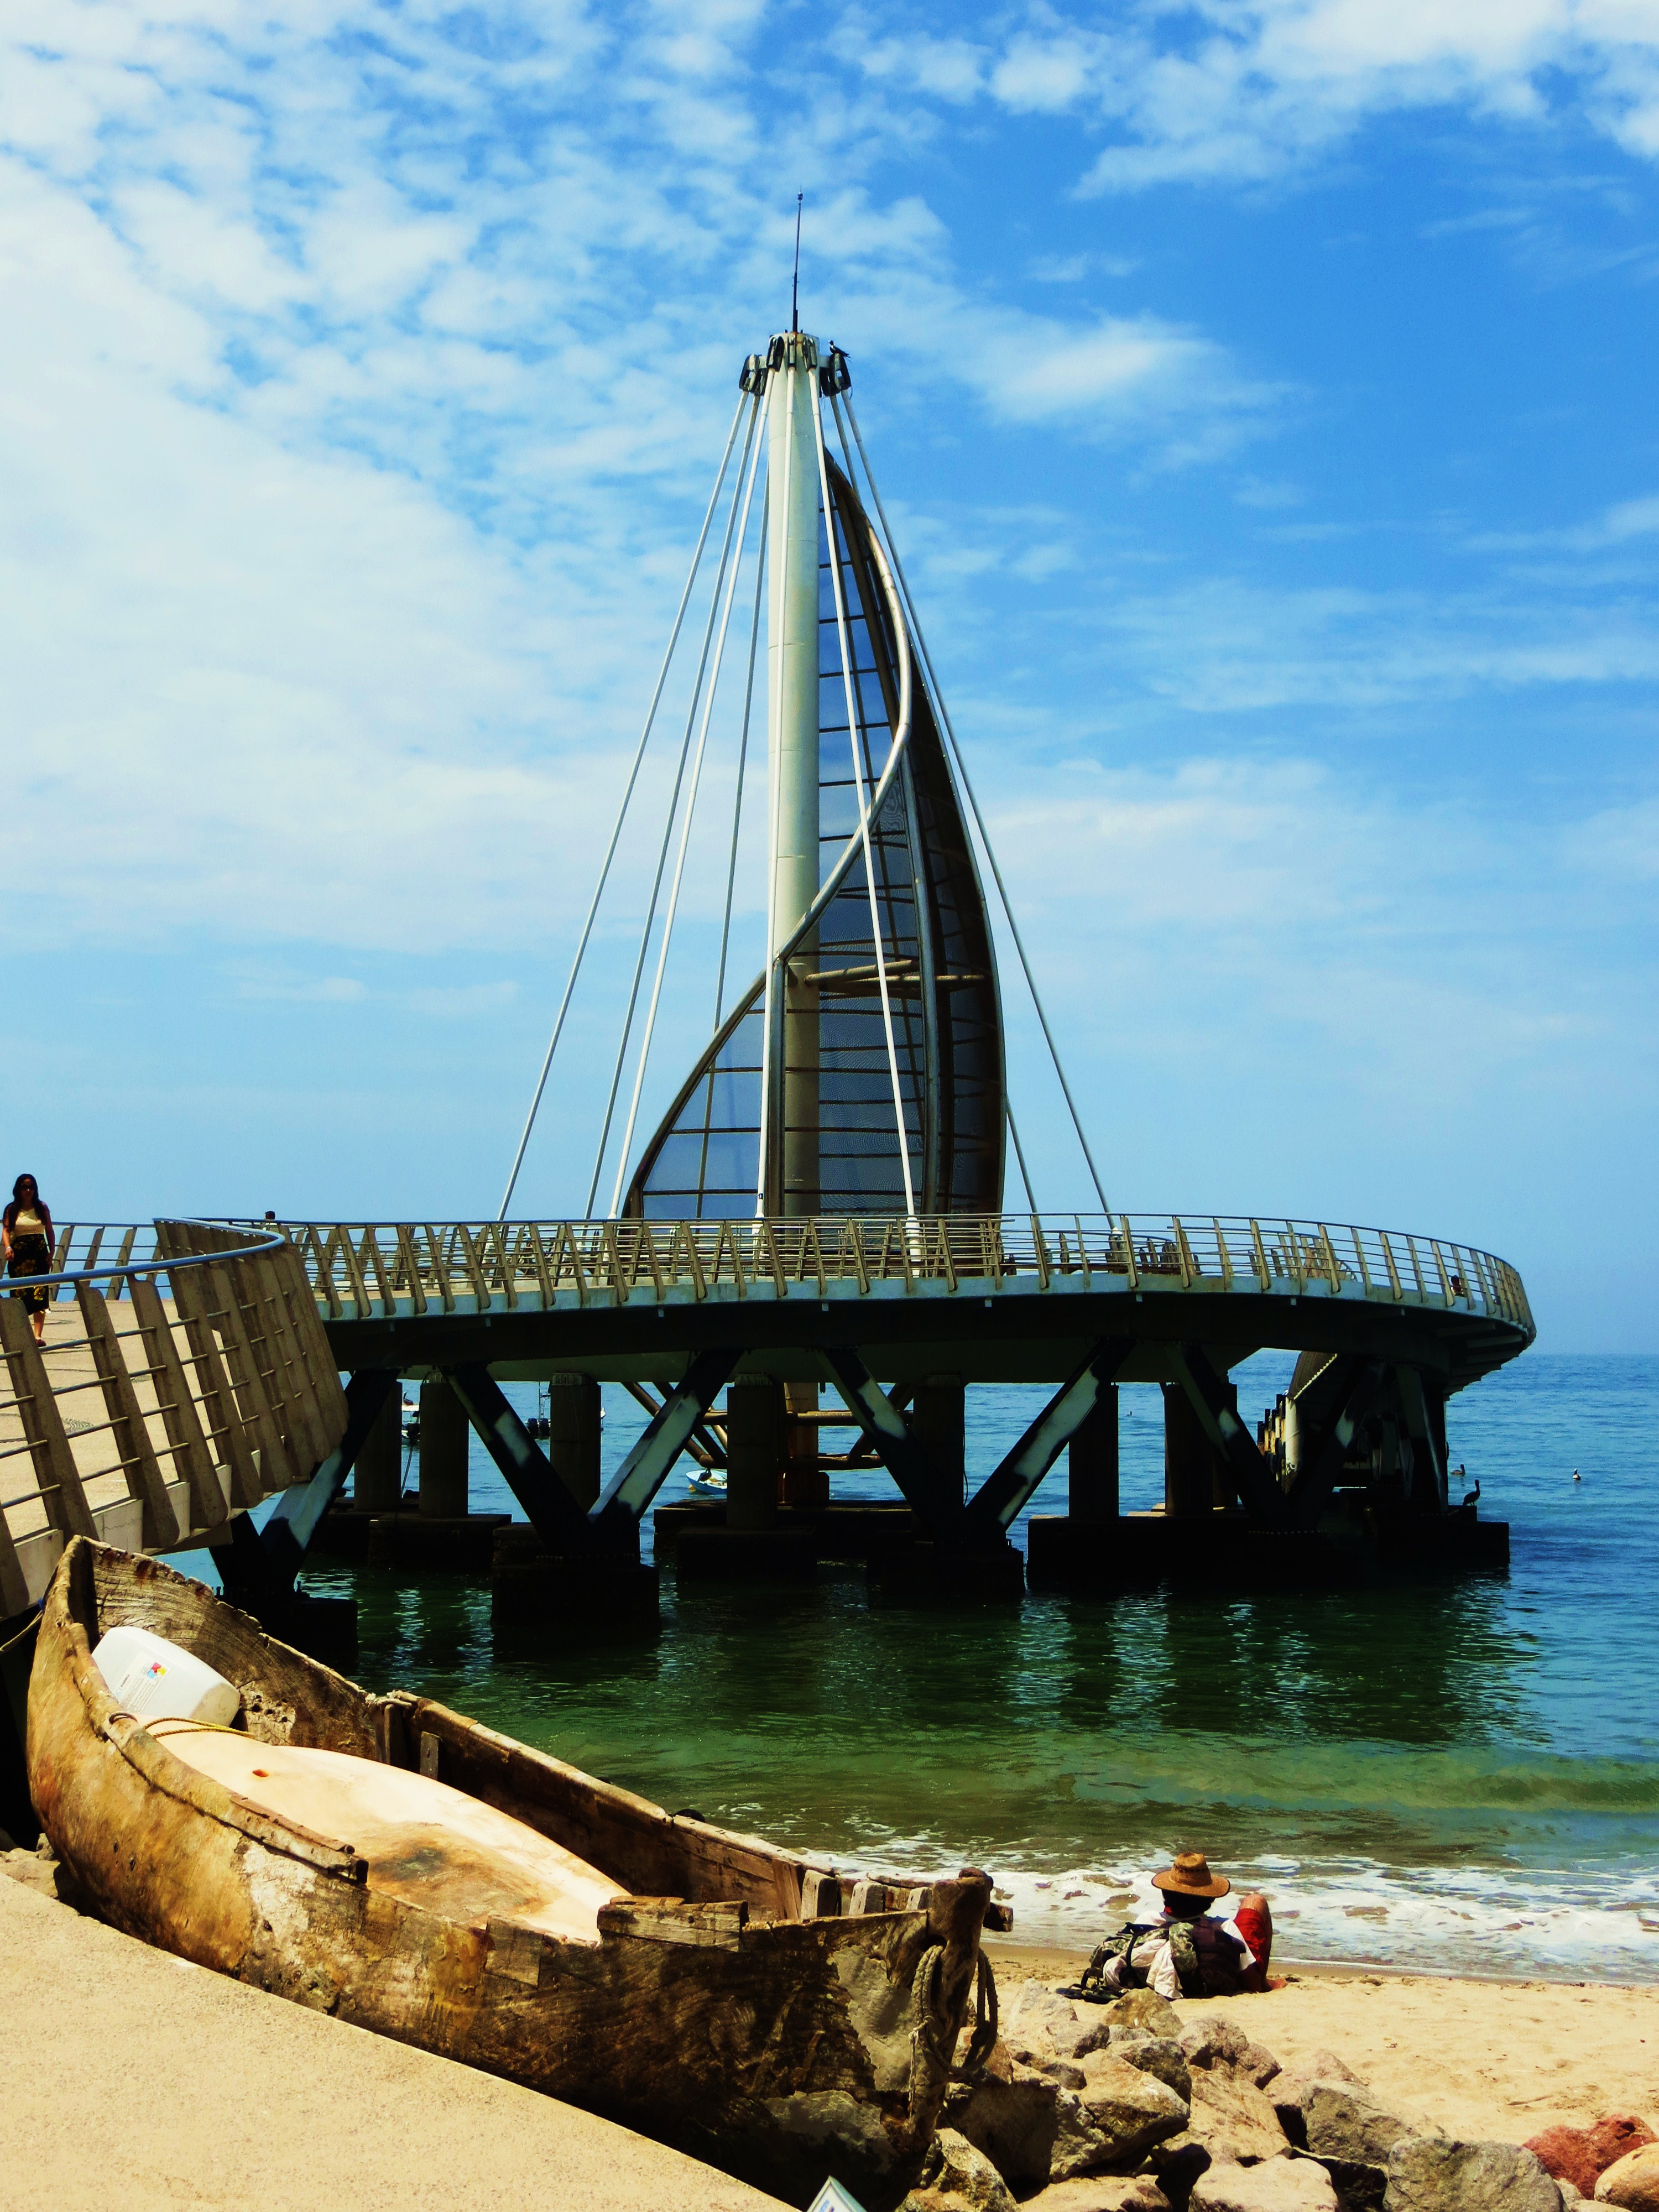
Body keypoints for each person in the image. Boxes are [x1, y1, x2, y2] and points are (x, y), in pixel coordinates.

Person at [1074, 1851, 1274, 2002]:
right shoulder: (1223, 1928)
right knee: (1255, 1901)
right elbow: (1251, 1984)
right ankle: (1268, 1983)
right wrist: (1259, 1983)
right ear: (1210, 1898)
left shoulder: (1147, 1921)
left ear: (1165, 1893)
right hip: (1212, 1979)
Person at [3, 1173, 56, 1345]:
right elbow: (6, 1231)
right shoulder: (12, 1209)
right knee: (19, 1295)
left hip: (40, 1254)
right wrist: (8, 1247)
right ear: (18, 1189)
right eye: (25, 1187)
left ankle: (37, 1336)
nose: (28, 1191)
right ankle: (20, 1333)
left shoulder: (42, 1207)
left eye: (31, 1187)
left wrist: (52, 1252)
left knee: (40, 1294)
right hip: (19, 1257)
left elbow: (49, 1230)